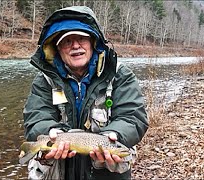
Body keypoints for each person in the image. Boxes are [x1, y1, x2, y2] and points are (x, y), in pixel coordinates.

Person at [23, 6, 148, 180]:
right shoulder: (44, 80)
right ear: (57, 48)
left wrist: (115, 135)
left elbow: (133, 117)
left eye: (81, 38)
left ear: (93, 42)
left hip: (105, 172)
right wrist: (49, 130)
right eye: (67, 41)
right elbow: (36, 116)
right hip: (58, 170)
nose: (75, 46)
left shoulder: (120, 75)